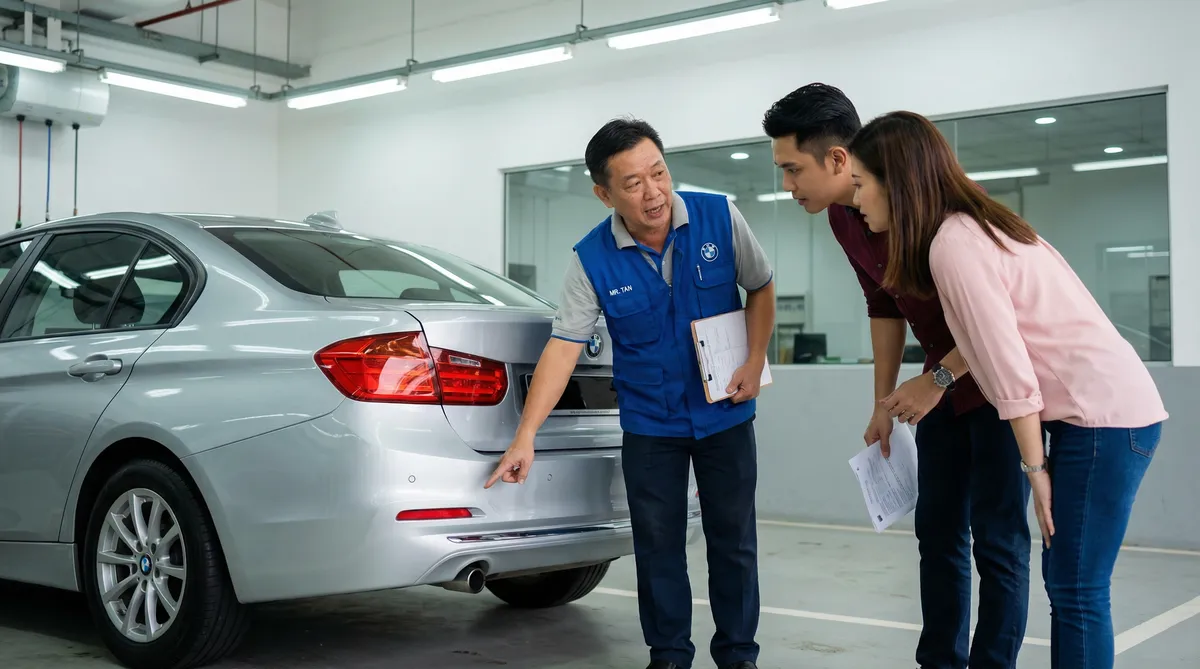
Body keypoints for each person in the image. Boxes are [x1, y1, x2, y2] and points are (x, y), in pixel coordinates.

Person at [846, 109, 1168, 669]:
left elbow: (1008, 367)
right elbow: (989, 338)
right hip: (1103, 412)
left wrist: (1034, 471)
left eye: (860, 185)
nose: (855, 201)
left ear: (894, 183)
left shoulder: (954, 243)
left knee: (1075, 587)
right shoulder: (974, 226)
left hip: (1103, 418)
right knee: (1071, 583)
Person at [485, 117, 776, 669]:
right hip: (650, 426)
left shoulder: (719, 216)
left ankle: (739, 656)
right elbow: (563, 347)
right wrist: (525, 435)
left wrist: (755, 357)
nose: (653, 193)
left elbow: (760, 285)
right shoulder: (591, 259)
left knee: (733, 543)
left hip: (727, 415)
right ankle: (669, 656)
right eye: (633, 183)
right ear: (604, 193)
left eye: (659, 173)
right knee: (658, 549)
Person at [762, 84, 1032, 669]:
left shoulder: (940, 212)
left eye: (791, 170)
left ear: (837, 159)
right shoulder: (842, 216)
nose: (787, 187)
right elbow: (882, 303)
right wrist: (884, 401)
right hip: (940, 391)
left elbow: (1000, 321)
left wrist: (934, 380)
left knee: (999, 540)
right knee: (937, 534)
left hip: (995, 386)